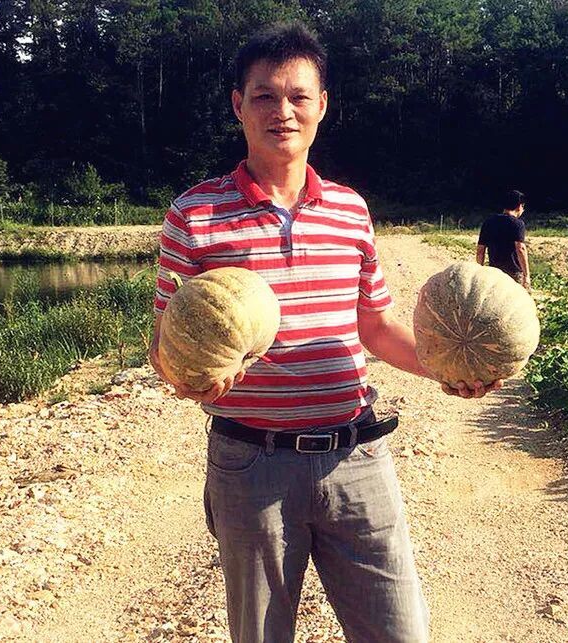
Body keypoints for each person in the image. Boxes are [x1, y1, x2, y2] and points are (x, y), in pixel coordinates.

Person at [147, 22, 500, 643]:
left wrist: (449, 367)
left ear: (322, 106)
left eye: (298, 96)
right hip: (251, 462)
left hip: (357, 455)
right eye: (264, 96)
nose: (281, 111)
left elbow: (376, 326)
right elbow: (165, 347)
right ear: (238, 105)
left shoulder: (350, 210)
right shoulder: (193, 216)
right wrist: (190, 377)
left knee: (399, 632)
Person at [476, 189, 530, 291]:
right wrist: (526, 275)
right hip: (513, 272)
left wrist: (480, 272)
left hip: (494, 272)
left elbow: (480, 250)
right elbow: (520, 249)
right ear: (519, 206)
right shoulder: (517, 224)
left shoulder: (488, 222)